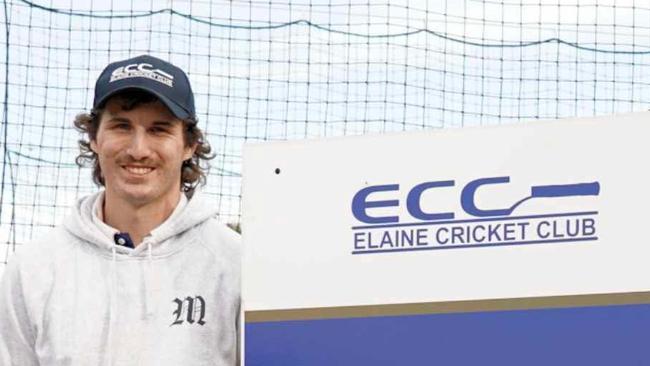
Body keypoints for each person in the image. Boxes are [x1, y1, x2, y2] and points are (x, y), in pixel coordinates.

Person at [0, 55, 240, 365]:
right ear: (94, 138)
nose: (138, 150)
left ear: (189, 145)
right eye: (121, 126)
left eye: (159, 129)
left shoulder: (236, 265)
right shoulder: (32, 269)